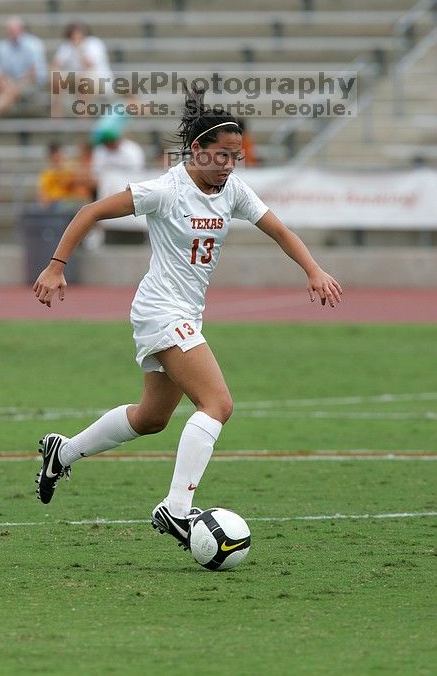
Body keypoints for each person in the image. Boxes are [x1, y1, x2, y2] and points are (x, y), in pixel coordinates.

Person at [33, 86, 342, 550]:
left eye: (235, 157)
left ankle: (65, 451)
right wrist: (56, 266)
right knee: (218, 403)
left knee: (151, 418)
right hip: (160, 310)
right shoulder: (166, 190)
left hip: (185, 314)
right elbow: (92, 210)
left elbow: (278, 229)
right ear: (196, 150)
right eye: (221, 155)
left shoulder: (231, 189)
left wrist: (313, 269)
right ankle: (176, 509)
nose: (229, 165)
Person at [0, 17, 48, 95]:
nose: (11, 33)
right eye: (9, 30)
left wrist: (18, 85)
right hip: (10, 84)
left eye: (13, 30)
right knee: (5, 87)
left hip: (32, 83)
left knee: (11, 92)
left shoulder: (34, 44)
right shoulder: (1, 47)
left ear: (22, 30)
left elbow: (34, 72)